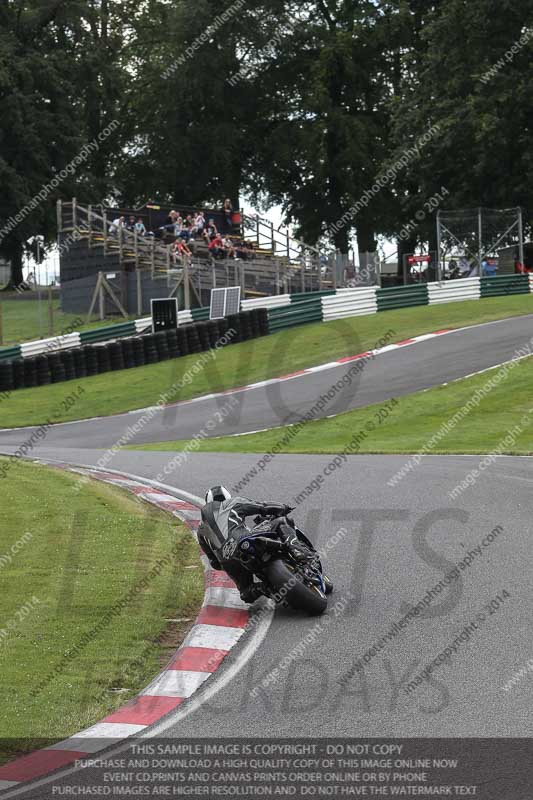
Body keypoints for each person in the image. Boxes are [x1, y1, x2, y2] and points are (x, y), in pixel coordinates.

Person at [198, 487, 314, 603]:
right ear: (227, 496)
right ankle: (297, 550)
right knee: (282, 521)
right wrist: (284, 508)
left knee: (245, 593)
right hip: (244, 539)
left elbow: (214, 563)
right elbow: (263, 507)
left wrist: (226, 560)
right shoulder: (233, 502)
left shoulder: (201, 530)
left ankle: (264, 589)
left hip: (228, 560)